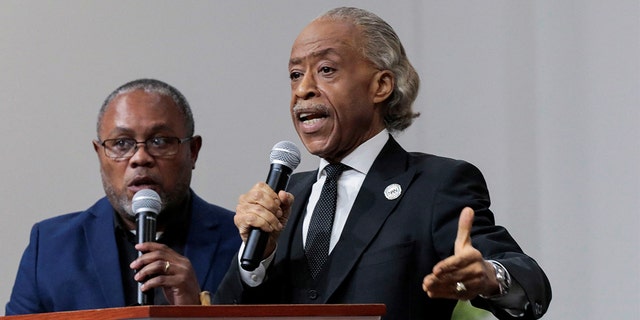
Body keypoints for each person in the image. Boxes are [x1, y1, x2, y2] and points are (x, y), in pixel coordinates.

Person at [213, 7, 551, 320]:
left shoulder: (435, 185)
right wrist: (258, 257)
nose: (303, 89)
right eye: (295, 74)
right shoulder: (286, 199)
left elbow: (529, 278)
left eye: (326, 70)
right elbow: (226, 311)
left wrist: (490, 277)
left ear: (381, 85)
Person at [5, 78, 241, 315]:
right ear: (100, 155)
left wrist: (196, 312)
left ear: (192, 152)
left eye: (159, 141)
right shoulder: (50, 246)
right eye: (121, 143)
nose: (140, 158)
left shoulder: (243, 243)